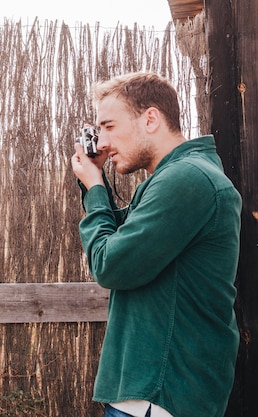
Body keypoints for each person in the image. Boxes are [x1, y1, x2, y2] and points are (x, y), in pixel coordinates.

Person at [70, 72, 241, 417]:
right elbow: (128, 239)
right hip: (151, 395)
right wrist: (96, 182)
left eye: (109, 126)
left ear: (150, 119)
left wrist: (95, 189)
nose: (102, 142)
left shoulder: (187, 179)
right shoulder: (178, 176)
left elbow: (111, 264)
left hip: (159, 395)